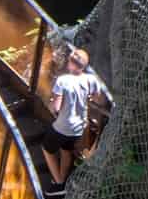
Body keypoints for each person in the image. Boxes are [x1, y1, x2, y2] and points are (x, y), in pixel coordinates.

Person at [40, 48, 113, 186]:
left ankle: (59, 181)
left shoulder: (63, 80)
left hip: (63, 127)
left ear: (71, 64)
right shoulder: (91, 79)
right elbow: (99, 100)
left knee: (47, 149)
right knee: (66, 150)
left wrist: (51, 103)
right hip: (79, 128)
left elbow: (55, 107)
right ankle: (63, 177)